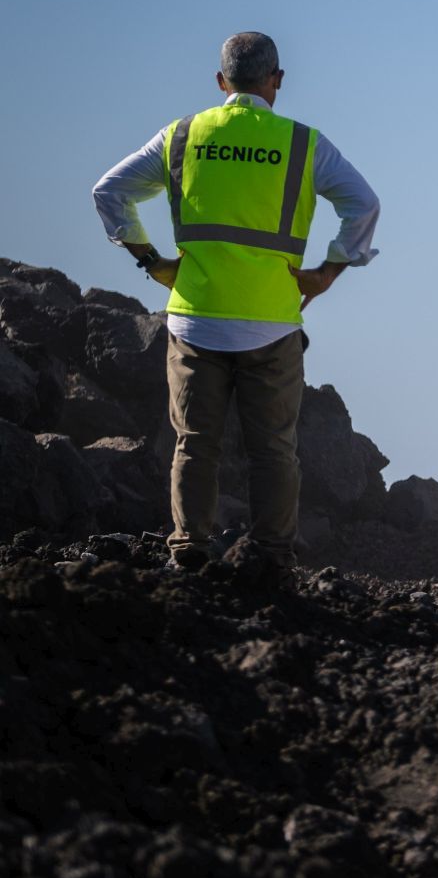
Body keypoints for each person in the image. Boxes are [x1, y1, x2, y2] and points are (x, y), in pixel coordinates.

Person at [91, 32, 380, 568]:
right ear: (277, 80)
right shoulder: (303, 144)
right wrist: (327, 273)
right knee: (273, 451)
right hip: (272, 324)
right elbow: (363, 204)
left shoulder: (183, 136)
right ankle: (271, 557)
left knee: (195, 445)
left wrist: (151, 260)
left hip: (196, 320)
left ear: (220, 81)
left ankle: (188, 552)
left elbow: (109, 191)